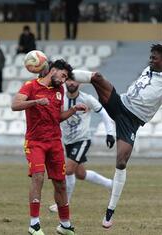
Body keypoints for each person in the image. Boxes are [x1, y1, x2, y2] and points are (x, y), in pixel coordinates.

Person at [71, 35, 162, 228]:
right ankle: (60, 74)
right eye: (151, 56)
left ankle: (109, 212)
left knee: (121, 161)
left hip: (131, 121)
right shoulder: (149, 69)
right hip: (120, 104)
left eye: (155, 57)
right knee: (96, 77)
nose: (151, 60)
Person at [11, 59, 87, 235]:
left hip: (54, 143)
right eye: (62, 75)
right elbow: (15, 105)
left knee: (60, 183)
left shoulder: (59, 90)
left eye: (66, 77)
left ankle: (65, 225)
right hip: (35, 142)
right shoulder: (30, 86)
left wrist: (74, 109)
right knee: (38, 177)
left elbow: (57, 117)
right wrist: (35, 102)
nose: (63, 80)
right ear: (53, 70)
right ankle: (34, 224)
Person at [48, 79, 116, 213]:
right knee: (80, 174)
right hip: (67, 141)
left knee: (67, 170)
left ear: (81, 83)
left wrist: (110, 133)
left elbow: (104, 113)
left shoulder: (87, 99)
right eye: (69, 81)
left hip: (82, 140)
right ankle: (110, 184)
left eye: (75, 81)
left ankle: (63, 204)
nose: (72, 83)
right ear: (64, 82)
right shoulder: (60, 99)